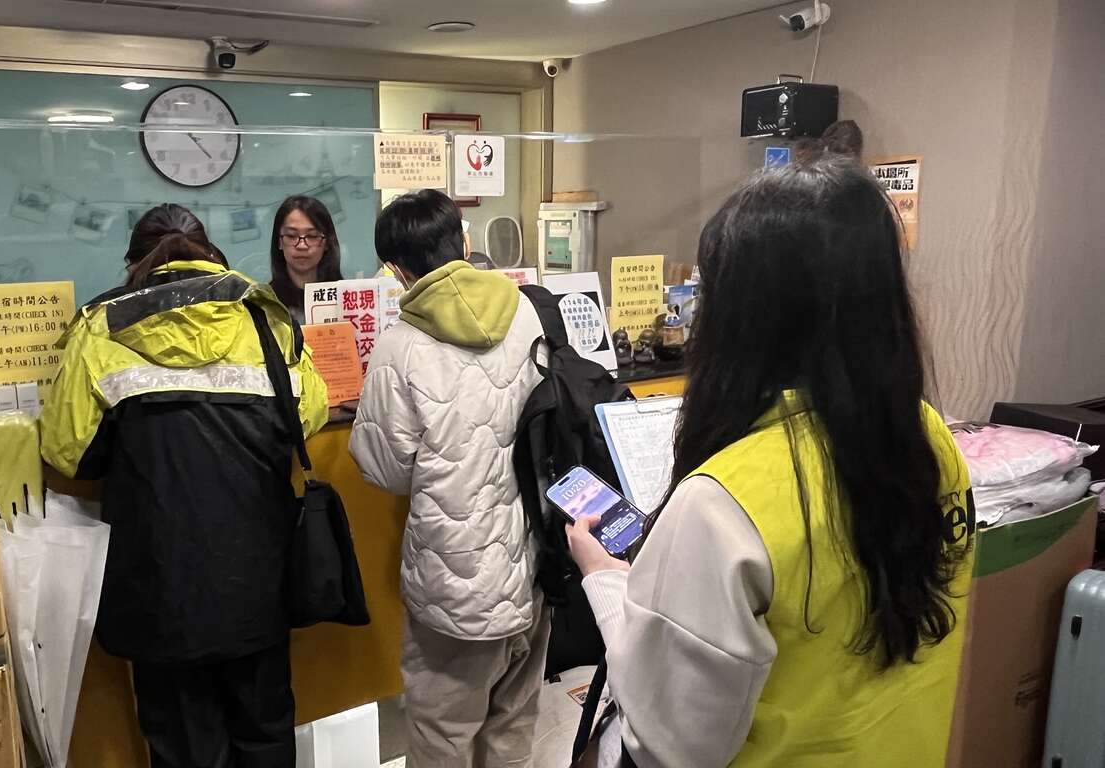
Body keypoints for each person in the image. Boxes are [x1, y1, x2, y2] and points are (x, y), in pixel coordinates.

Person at [567, 157, 974, 767]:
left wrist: (604, 578)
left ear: (741, 318)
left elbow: (668, 744)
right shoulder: (927, 435)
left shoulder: (721, 505)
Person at [41, 203, 329, 768]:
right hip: (257, 577)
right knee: (265, 729)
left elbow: (67, 451)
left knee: (182, 743)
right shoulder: (264, 317)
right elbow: (310, 415)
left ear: (135, 261)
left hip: (158, 584)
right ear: (209, 252)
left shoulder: (101, 326)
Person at [349, 190, 549, 767]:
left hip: (452, 584)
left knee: (442, 734)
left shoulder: (399, 345)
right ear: (463, 241)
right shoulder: (527, 312)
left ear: (396, 269)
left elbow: (384, 468)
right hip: (531, 564)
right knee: (513, 725)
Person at [269, 195, 344, 323]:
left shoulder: (346, 298)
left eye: (312, 236)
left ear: (327, 243)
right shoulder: (265, 302)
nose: (302, 245)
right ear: (279, 242)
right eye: (291, 236)